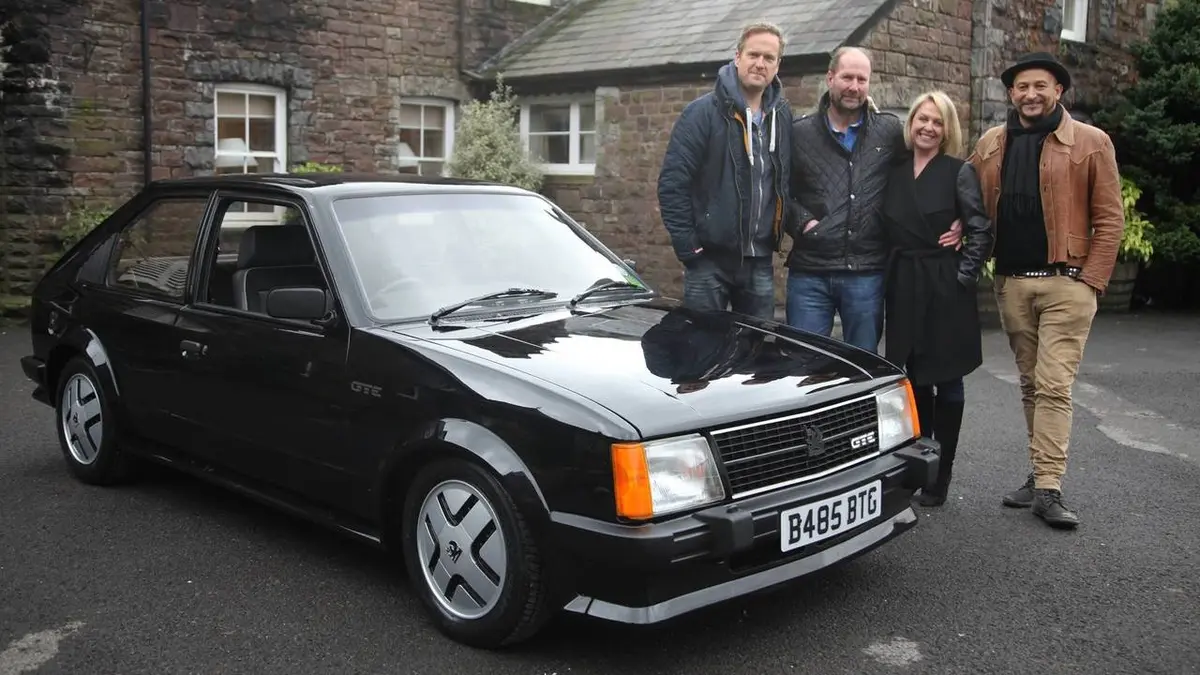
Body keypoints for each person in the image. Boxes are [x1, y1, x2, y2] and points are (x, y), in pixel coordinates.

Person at [967, 52, 1125, 529]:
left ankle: (1049, 488)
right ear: (1011, 94)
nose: (1030, 94)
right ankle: (1039, 475)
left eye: (1040, 86)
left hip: (1066, 283)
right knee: (1032, 385)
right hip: (1013, 284)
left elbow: (1110, 218)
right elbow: (965, 199)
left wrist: (1091, 281)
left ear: (1059, 91)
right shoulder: (992, 144)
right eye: (1022, 87)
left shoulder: (1091, 142)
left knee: (1054, 385)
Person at [786, 47, 961, 352]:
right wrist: (803, 222)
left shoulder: (889, 131)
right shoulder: (799, 133)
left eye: (861, 79)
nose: (854, 87)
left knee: (863, 363)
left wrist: (960, 215)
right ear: (830, 78)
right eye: (847, 77)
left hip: (866, 272)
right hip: (810, 271)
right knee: (804, 360)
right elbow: (779, 192)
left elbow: (924, 174)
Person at [880, 90, 993, 507]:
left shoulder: (957, 171)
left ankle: (941, 476)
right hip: (904, 283)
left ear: (947, 131)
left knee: (947, 379)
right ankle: (919, 465)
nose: (928, 127)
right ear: (911, 123)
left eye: (937, 121)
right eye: (922, 119)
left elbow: (980, 229)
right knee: (914, 378)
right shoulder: (894, 170)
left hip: (944, 285)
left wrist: (962, 278)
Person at [657, 22, 793, 320]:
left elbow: (784, 182)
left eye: (769, 58)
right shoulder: (702, 113)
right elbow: (672, 184)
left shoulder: (781, 116)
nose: (760, 64)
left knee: (756, 344)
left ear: (777, 65)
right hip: (708, 261)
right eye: (753, 55)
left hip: (758, 261)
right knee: (702, 343)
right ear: (737, 56)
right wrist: (689, 249)